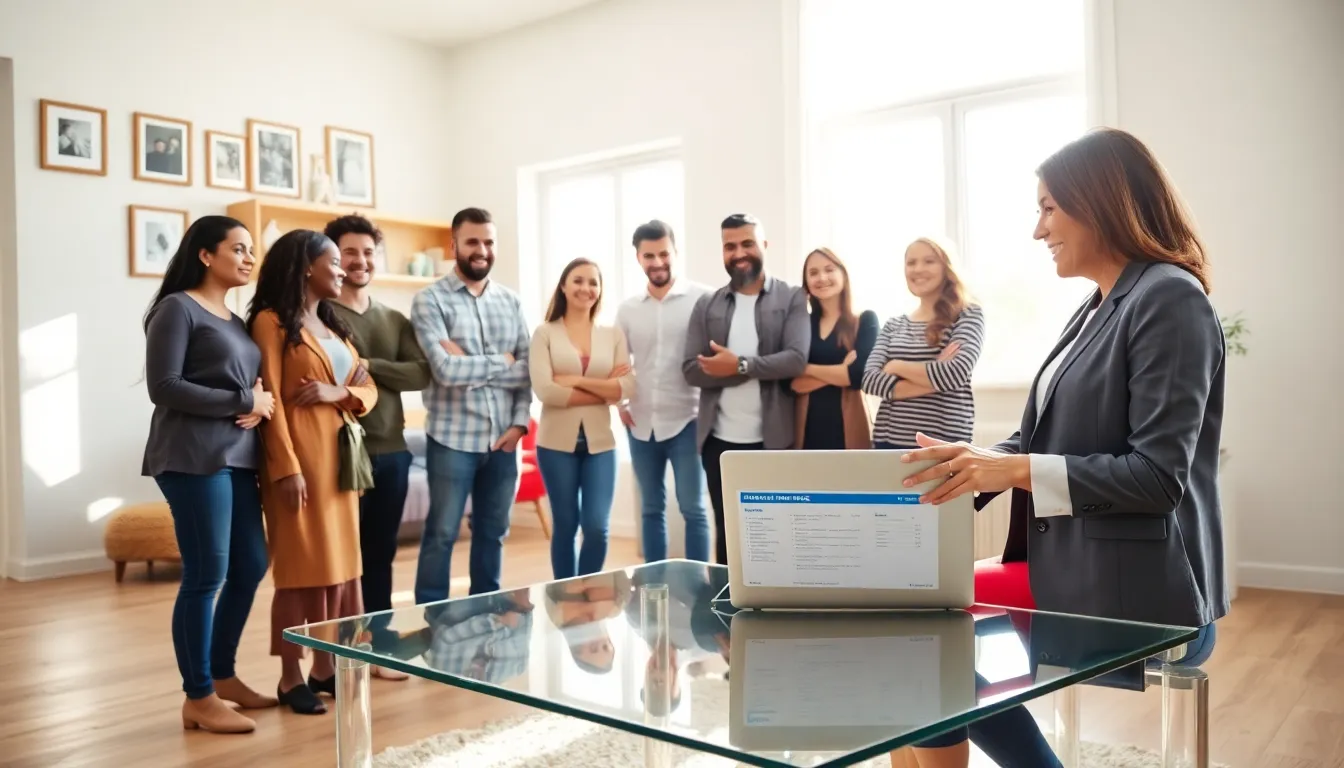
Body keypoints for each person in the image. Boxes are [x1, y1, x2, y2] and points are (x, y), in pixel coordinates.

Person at [897, 127, 1228, 767]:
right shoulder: (1098, 305)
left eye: (1049, 208)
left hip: (1140, 596)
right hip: (1077, 569)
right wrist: (964, 469)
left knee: (924, 644)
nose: (1038, 230)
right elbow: (1042, 435)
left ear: (1102, 201)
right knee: (912, 619)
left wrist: (1009, 469)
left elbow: (1158, 477)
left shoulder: (1169, 298)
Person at [141, 215, 276, 734]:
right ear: (205, 254)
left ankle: (222, 675)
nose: (249, 257)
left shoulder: (235, 320)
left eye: (251, 249)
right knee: (206, 577)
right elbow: (164, 386)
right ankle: (198, 696)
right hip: (193, 458)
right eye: (238, 248)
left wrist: (258, 404)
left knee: (250, 566)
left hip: (238, 458)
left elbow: (249, 387)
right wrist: (245, 400)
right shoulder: (177, 309)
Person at [247, 229, 379, 716]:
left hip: (342, 464)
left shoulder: (332, 326)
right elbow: (271, 399)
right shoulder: (270, 322)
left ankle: (325, 668)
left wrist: (337, 393)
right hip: (301, 461)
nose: (343, 269)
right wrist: (286, 468)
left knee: (341, 569)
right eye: (334, 261)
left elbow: (368, 388)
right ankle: (290, 677)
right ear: (306, 266)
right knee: (302, 570)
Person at [326, 213, 431, 682]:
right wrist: (381, 370)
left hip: (392, 451)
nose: (360, 260)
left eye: (368, 252)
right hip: (341, 451)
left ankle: (379, 647)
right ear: (332, 258)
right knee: (343, 559)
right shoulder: (322, 316)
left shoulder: (393, 318)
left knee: (380, 554)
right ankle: (342, 652)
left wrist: (368, 364)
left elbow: (420, 373)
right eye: (349, 252)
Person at [409, 207, 533, 603]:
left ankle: (487, 615)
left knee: (493, 533)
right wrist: (503, 361)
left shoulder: (511, 302)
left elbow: (528, 371)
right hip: (452, 439)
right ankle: (432, 620)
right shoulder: (429, 301)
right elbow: (445, 371)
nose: (482, 250)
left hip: (504, 440)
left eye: (489, 242)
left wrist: (519, 425)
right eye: (472, 242)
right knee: (442, 534)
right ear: (454, 246)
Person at [683, 213, 810, 564]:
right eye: (730, 246)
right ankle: (728, 598)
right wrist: (753, 368)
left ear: (764, 245)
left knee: (776, 535)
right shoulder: (706, 304)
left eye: (747, 243)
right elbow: (691, 370)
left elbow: (796, 360)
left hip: (775, 441)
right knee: (728, 533)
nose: (739, 253)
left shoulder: (792, 297)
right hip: (718, 444)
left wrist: (739, 365)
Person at [530, 258, 635, 578]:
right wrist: (605, 390)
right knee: (565, 525)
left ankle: (588, 591)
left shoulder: (613, 335)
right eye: (578, 280)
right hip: (554, 445)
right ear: (563, 286)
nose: (585, 288)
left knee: (597, 527)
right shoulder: (544, 333)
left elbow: (626, 389)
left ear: (600, 290)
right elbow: (546, 391)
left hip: (601, 444)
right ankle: (565, 592)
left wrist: (575, 380)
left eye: (593, 282)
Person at [615, 220, 713, 563]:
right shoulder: (628, 309)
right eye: (649, 256)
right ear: (638, 258)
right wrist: (620, 403)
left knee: (693, 508)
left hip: (689, 419)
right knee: (651, 508)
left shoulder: (703, 298)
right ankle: (654, 583)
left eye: (663, 253)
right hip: (640, 422)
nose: (657, 262)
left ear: (675, 252)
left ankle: (701, 585)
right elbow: (618, 363)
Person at [862, 237, 984, 451]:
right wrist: (936, 375)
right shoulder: (894, 324)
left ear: (946, 267)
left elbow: (955, 372)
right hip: (889, 443)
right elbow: (870, 381)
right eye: (911, 262)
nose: (918, 269)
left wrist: (896, 366)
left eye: (929, 261)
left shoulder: (968, 314)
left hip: (945, 444)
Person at [789, 247, 880, 449]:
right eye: (813, 273)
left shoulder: (865, 320)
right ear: (806, 283)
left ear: (843, 274)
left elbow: (860, 376)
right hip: (806, 426)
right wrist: (842, 370)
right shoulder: (801, 324)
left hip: (849, 425)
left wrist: (805, 368)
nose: (822, 278)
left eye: (829, 270)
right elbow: (791, 382)